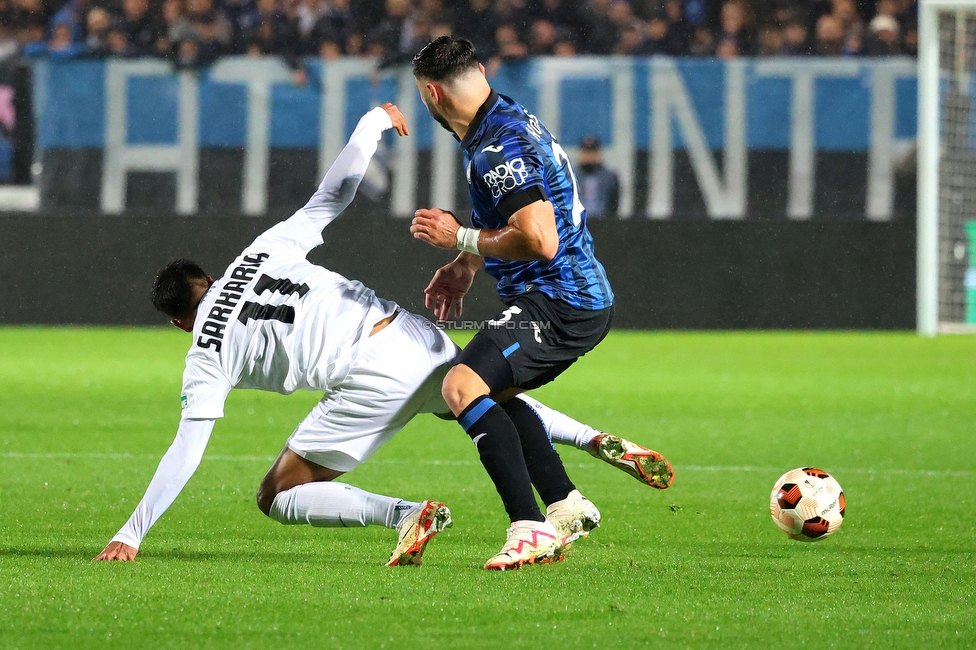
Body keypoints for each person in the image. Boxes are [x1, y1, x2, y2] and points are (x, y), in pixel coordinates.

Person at [95, 102, 672, 568]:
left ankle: (406, 514)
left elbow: (186, 451)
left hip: (363, 382)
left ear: (179, 321)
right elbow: (334, 194)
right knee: (479, 393)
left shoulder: (205, 351)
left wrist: (132, 532)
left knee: (277, 492)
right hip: (403, 332)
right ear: (213, 278)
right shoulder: (261, 251)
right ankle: (589, 444)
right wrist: (371, 123)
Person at [410, 36, 671, 571]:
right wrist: (465, 268)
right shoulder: (503, 120)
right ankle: (565, 505)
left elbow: (539, 238)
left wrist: (459, 238)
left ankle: (528, 528)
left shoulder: (495, 148)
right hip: (566, 298)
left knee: (460, 386)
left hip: (559, 302)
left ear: (432, 93)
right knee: (494, 395)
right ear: (479, 71)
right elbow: (512, 221)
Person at [575, 136, 620, 220]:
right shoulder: (571, 176)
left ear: (599, 153)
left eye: (593, 152)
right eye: (586, 152)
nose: (589, 156)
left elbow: (613, 206)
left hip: (602, 224)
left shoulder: (609, 177)